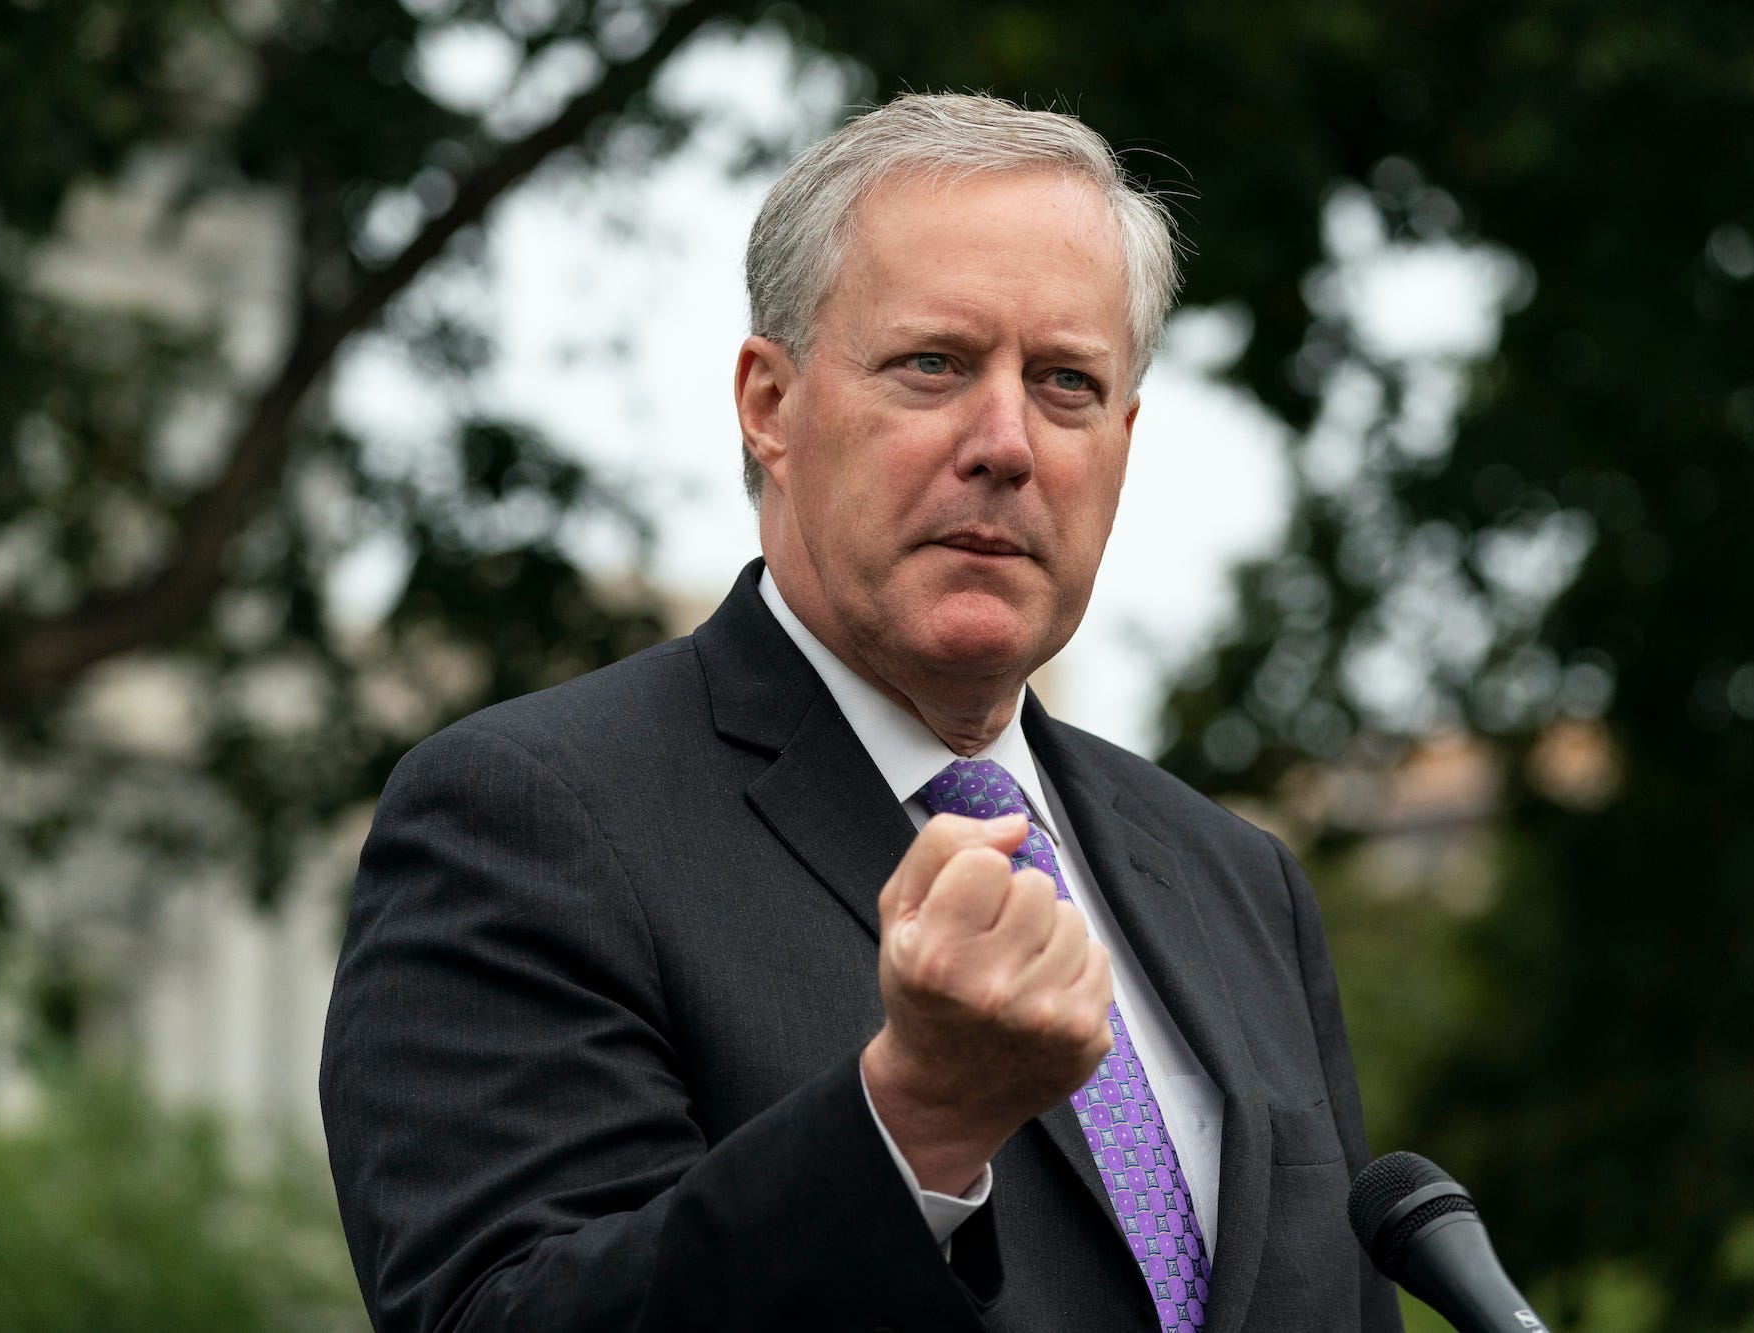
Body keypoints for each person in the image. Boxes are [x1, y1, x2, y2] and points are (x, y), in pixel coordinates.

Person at [321, 93, 1402, 1333]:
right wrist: (911, 1123)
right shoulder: (527, 816)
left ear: (1122, 438)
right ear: (769, 406)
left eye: (1063, 384)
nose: (1004, 441)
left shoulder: (1236, 881)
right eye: (933, 364)